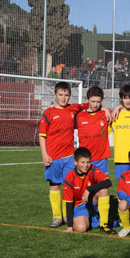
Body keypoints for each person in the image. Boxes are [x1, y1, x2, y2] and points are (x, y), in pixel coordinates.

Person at [39, 82, 89, 228]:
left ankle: (68, 215)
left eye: (66, 95)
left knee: (69, 187)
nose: (63, 98)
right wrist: (44, 154)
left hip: (69, 157)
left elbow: (86, 105)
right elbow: (42, 136)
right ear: (55, 95)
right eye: (60, 95)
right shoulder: (48, 113)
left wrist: (105, 108)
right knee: (55, 187)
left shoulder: (73, 108)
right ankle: (56, 216)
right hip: (53, 158)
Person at [62, 147, 116, 234]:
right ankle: (92, 217)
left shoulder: (92, 169)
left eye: (88, 162)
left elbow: (108, 182)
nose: (86, 165)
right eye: (82, 162)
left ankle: (104, 224)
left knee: (104, 190)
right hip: (78, 206)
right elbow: (69, 202)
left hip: (91, 201)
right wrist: (69, 226)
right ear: (75, 162)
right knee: (81, 228)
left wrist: (88, 189)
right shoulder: (69, 177)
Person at [75, 86, 111, 175]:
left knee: (103, 187)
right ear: (87, 99)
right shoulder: (79, 116)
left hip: (101, 159)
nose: (95, 105)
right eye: (93, 101)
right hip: (85, 160)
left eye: (98, 102)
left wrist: (108, 108)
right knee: (85, 187)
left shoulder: (105, 114)